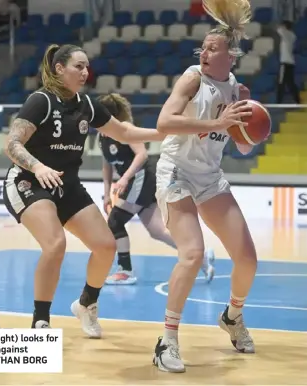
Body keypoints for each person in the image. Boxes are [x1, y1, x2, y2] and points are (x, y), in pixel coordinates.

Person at [2, 44, 165, 337]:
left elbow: (125, 133)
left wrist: (166, 131)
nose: (85, 72)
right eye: (78, 66)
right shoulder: (40, 101)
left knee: (105, 245)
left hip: (66, 184)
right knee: (55, 244)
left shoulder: (87, 105)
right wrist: (38, 167)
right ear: (59, 68)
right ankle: (41, 320)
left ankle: (86, 304)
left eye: (87, 67)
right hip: (28, 181)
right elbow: (12, 144)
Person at [152, 0, 262, 373]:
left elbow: (245, 147)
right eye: (203, 47)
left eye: (212, 48)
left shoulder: (235, 88)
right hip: (176, 172)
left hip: (209, 177)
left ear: (230, 56)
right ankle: (166, 341)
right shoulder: (192, 77)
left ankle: (232, 317)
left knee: (247, 257)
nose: (203, 51)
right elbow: (165, 121)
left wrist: (247, 121)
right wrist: (217, 124)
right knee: (192, 253)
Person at [97, 93, 215, 286]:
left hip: (141, 178)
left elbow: (142, 154)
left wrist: (125, 178)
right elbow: (106, 165)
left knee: (115, 221)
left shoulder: (125, 129)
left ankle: (125, 271)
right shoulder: (102, 136)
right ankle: (200, 257)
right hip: (136, 182)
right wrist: (107, 193)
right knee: (157, 231)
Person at [276, 20, 300, 104]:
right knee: (291, 83)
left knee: (281, 82)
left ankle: (278, 102)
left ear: (285, 27)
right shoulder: (292, 35)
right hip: (291, 63)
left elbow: (277, 29)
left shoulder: (284, 33)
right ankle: (297, 101)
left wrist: (280, 25)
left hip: (285, 63)